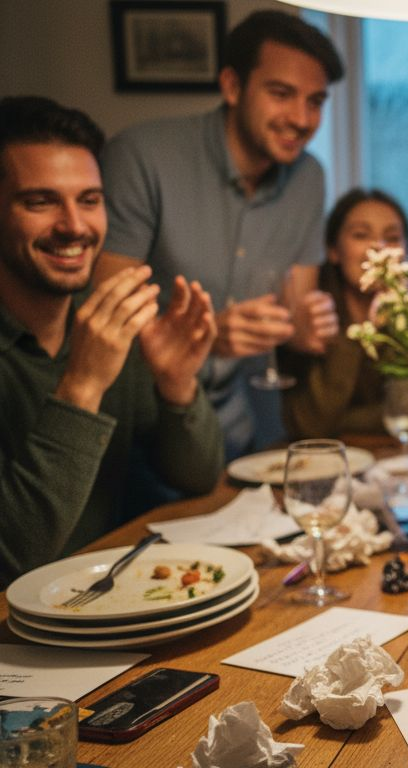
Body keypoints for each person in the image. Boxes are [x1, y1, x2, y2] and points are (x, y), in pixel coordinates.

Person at [97, 10, 345, 458]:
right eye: (281, 94)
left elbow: (292, 310)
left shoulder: (309, 177)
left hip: (244, 430)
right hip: (141, 428)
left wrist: (310, 324)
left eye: (316, 101)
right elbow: (105, 313)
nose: (302, 119)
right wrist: (207, 336)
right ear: (232, 86)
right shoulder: (142, 156)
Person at [0, 97, 223, 587]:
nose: (74, 226)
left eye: (89, 200)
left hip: (109, 606)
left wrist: (176, 384)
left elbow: (199, 476)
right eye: (40, 201)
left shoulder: (103, 323)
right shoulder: (95, 345)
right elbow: (12, 555)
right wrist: (80, 386)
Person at [277, 188, 408, 438]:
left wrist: (400, 328)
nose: (378, 247)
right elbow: (310, 426)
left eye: (392, 238)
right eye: (361, 235)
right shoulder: (313, 318)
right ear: (333, 250)